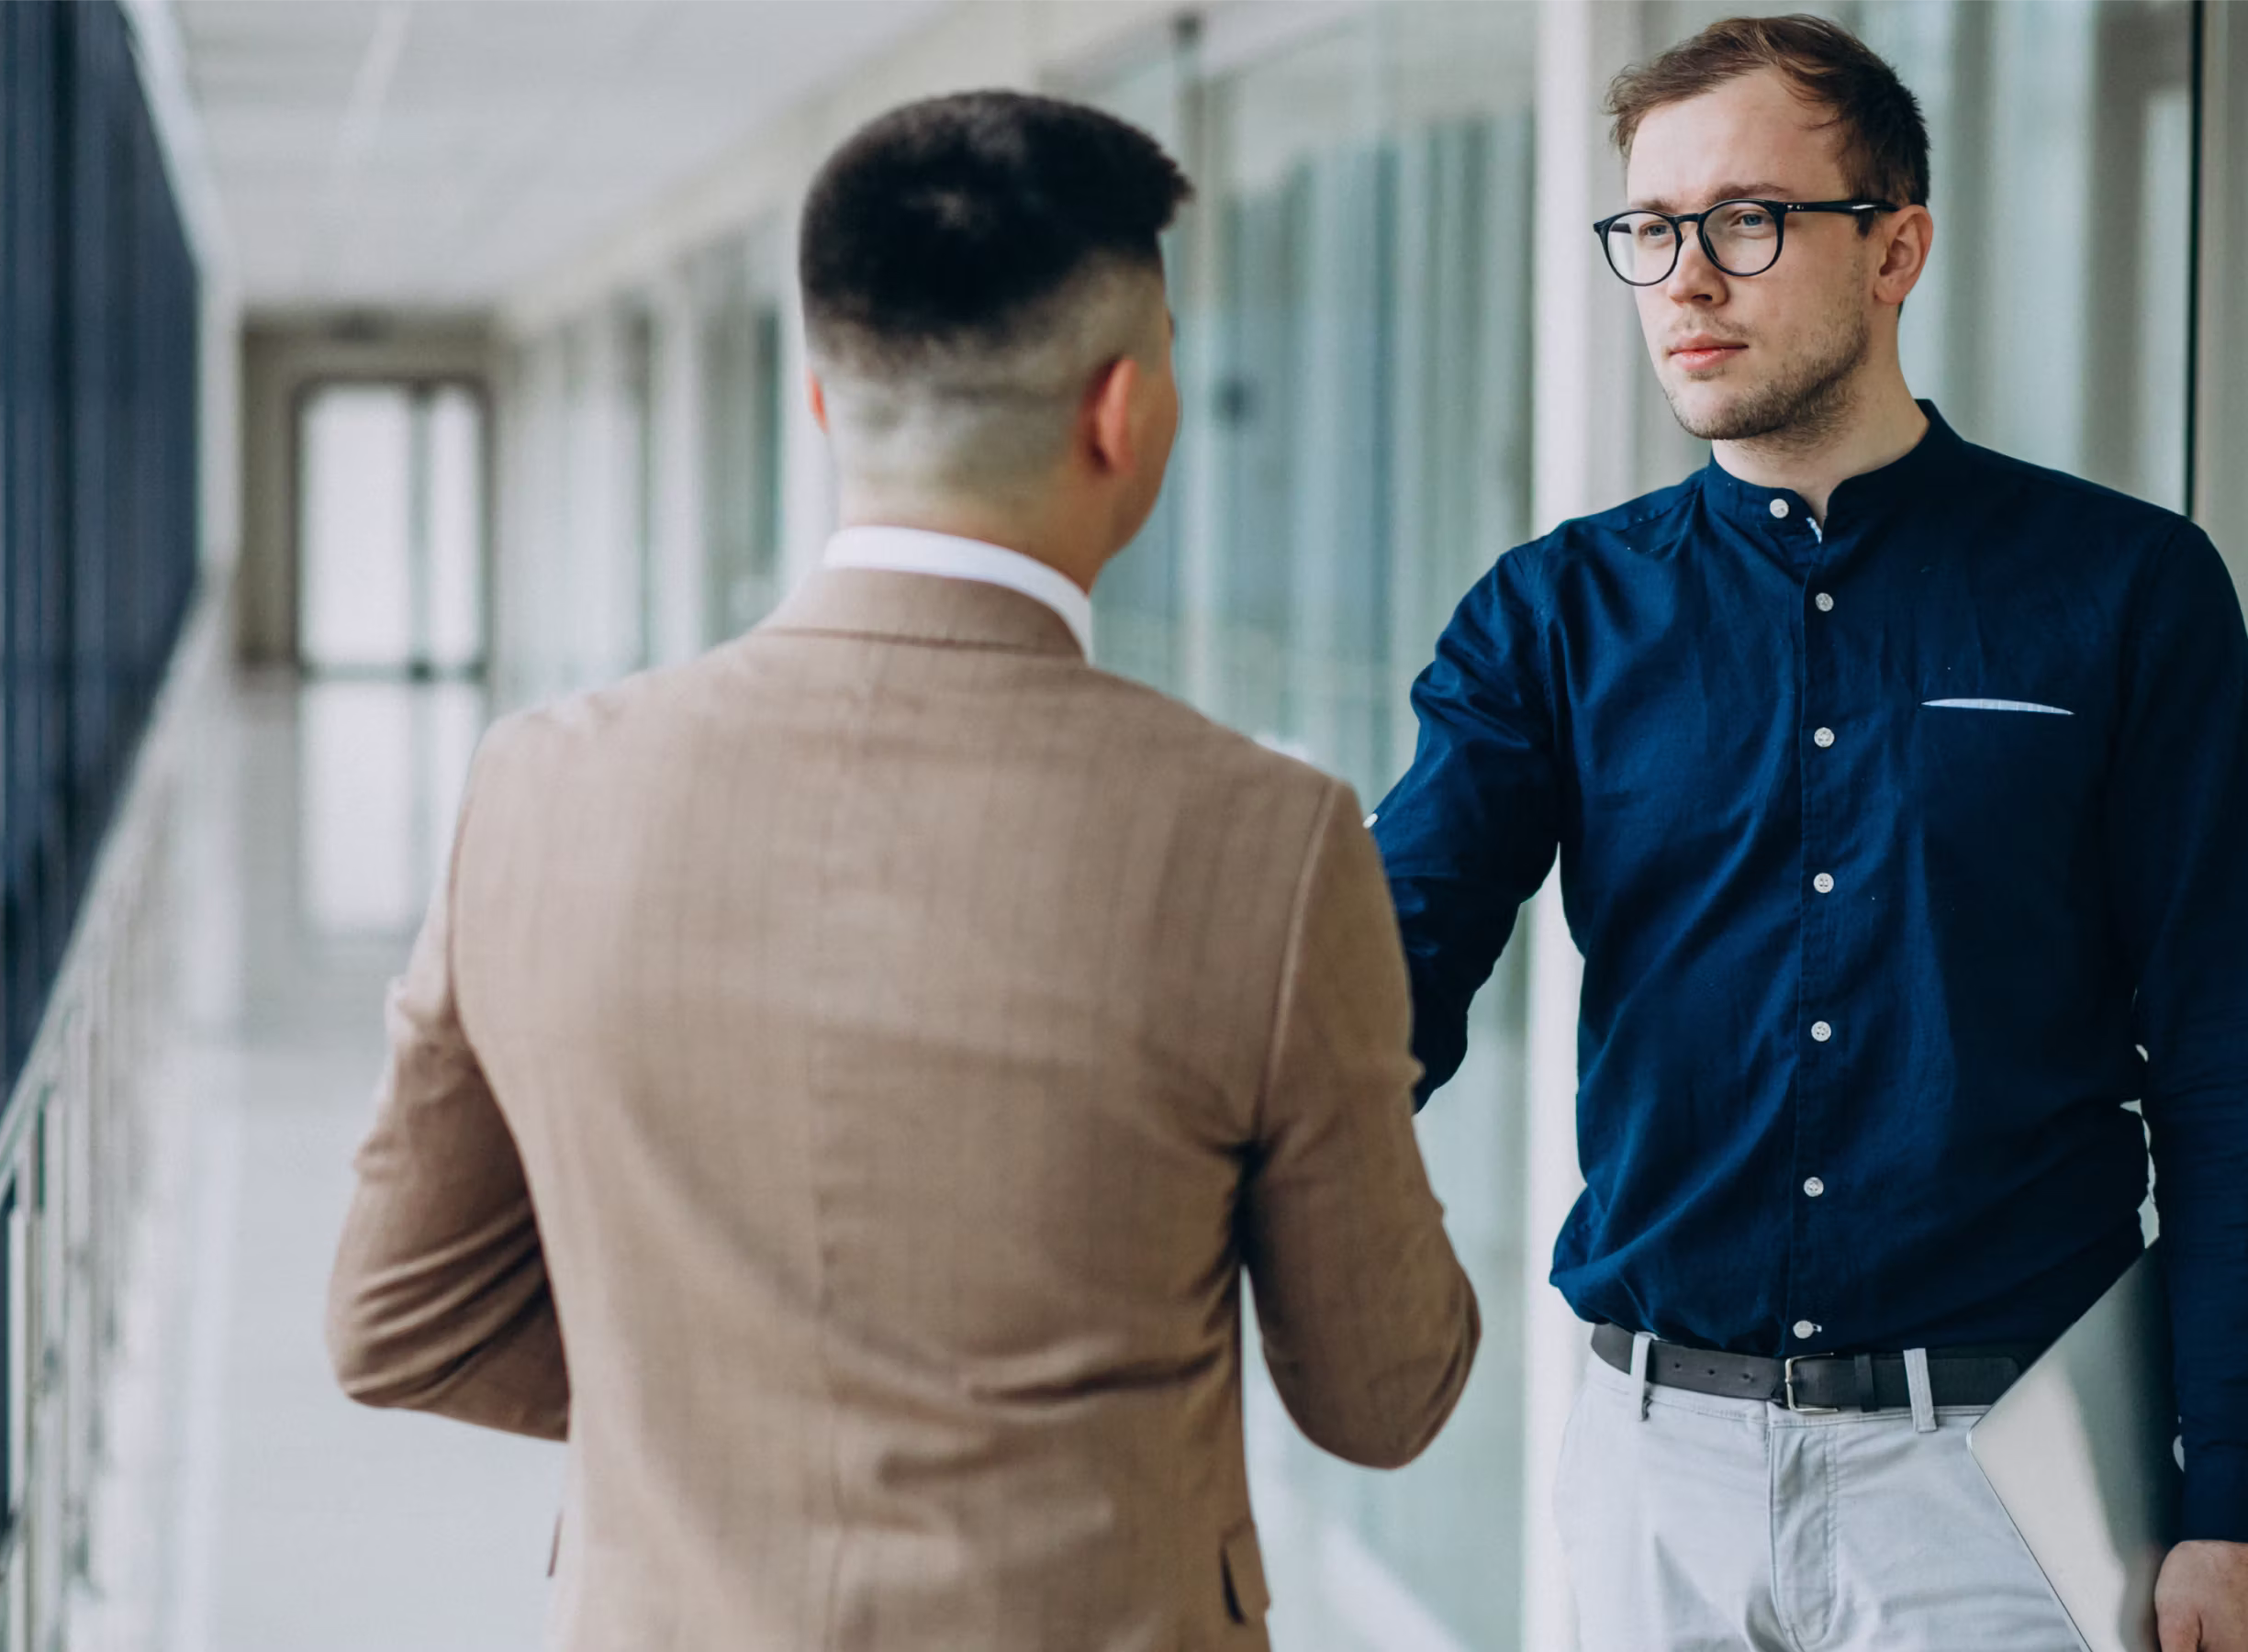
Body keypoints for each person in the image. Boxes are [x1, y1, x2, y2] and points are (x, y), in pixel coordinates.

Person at [325, 90, 1478, 1650]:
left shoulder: (536, 788)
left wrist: (713, 1414)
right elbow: (1386, 1393)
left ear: (817, 404)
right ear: (1124, 412)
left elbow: (401, 1320)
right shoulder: (1263, 842)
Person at [1371, 17, 2248, 1652]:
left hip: (2006, 1479)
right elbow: (1393, 961)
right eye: (1651, 230)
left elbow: (2239, 1063)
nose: (1686, 278)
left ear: (1897, 248)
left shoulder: (2124, 593)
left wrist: (2239, 1502)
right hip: (1651, 1467)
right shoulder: (1550, 617)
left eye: (1747, 220)